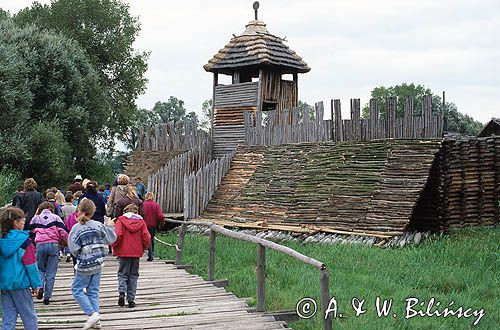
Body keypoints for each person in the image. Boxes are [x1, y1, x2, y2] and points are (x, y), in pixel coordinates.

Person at [68, 199, 116, 330]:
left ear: (79, 210)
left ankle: (92, 313)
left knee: (76, 289)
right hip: (98, 262)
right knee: (93, 291)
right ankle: (97, 319)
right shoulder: (98, 225)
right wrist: (110, 226)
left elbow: (73, 248)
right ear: (93, 211)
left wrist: (79, 255)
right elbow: (110, 239)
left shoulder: (76, 228)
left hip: (85, 263)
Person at [0, 207, 41, 330]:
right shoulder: (25, 241)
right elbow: (31, 266)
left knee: (8, 318)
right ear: (16, 222)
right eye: (22, 220)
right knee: (29, 317)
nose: (24, 222)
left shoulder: (2, 240)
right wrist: (36, 285)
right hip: (21, 284)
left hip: (4, 284)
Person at [112, 204, 150, 308]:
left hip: (123, 251)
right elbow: (146, 236)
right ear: (137, 212)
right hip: (136, 252)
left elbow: (118, 235)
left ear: (125, 211)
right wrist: (144, 247)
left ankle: (122, 292)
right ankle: (131, 300)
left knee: (122, 273)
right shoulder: (141, 222)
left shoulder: (120, 221)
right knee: (133, 275)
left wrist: (114, 245)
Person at [30, 202, 68, 305]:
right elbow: (63, 232)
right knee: (51, 272)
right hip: (54, 245)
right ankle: (47, 297)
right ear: (52, 209)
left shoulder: (36, 218)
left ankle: (40, 287)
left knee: (40, 269)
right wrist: (66, 243)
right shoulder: (56, 218)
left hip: (40, 245)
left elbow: (30, 233)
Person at [143, 192, 165, 261]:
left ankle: (148, 253)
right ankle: (151, 253)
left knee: (145, 238)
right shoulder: (156, 205)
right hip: (153, 225)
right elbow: (160, 216)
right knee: (151, 238)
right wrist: (162, 222)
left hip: (144, 225)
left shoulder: (143, 205)